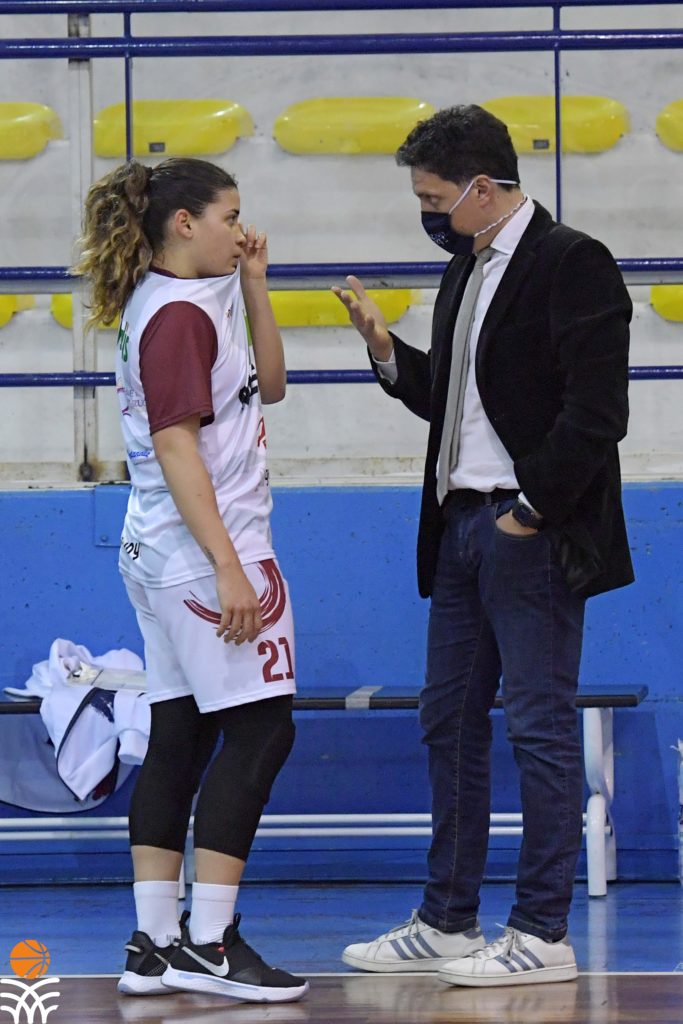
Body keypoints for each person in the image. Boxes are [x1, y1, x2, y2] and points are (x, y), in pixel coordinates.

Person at [333, 104, 633, 988]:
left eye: (434, 198)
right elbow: (460, 398)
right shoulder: (465, 267)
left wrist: (530, 510)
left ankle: (541, 932)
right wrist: (388, 352)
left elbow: (597, 413)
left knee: (538, 726)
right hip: (459, 526)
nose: (426, 214)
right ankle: (447, 919)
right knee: (448, 722)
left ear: (483, 187)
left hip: (526, 529)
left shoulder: (572, 262)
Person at [74, 157, 308, 1004]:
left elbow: (270, 388)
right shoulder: (175, 315)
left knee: (180, 736)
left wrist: (255, 286)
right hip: (204, 554)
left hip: (163, 553)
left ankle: (154, 942)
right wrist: (227, 566)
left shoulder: (195, 296)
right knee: (262, 732)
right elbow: (177, 448)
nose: (241, 229)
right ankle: (209, 940)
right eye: (229, 215)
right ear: (184, 223)